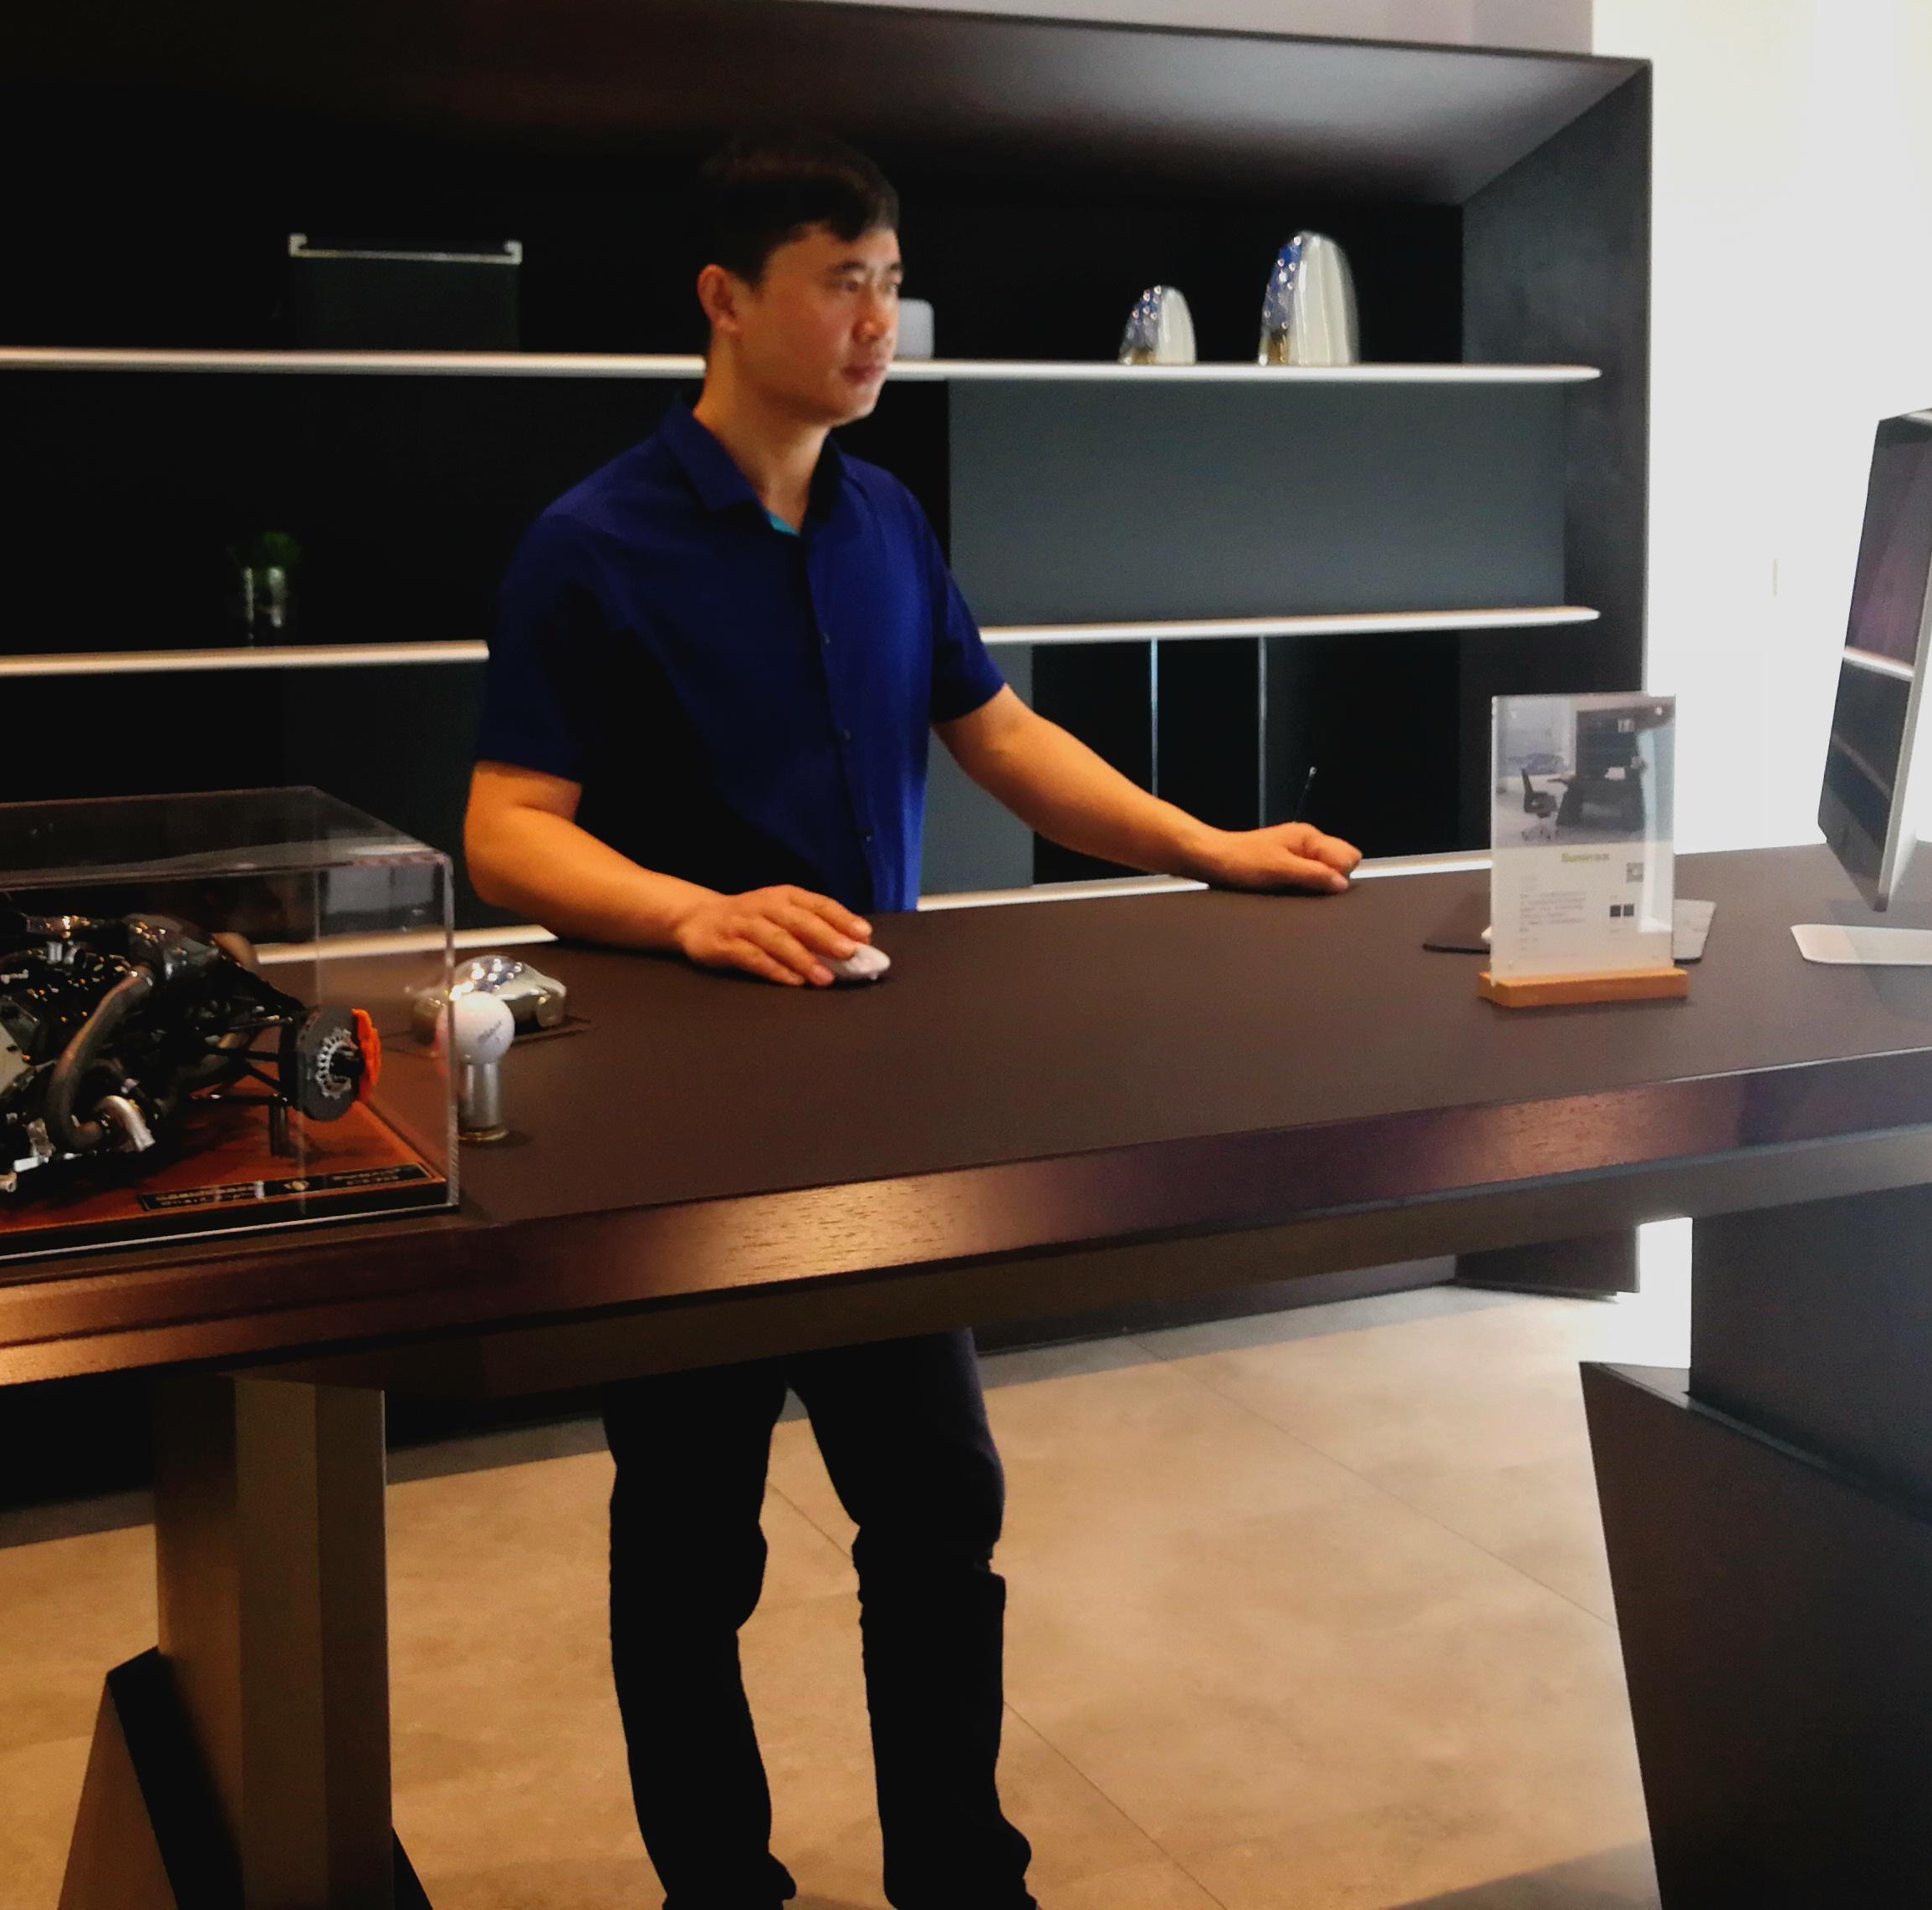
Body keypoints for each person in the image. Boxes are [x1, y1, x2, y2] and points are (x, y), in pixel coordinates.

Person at [463, 133, 1360, 1910]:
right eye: (841, 283)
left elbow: (996, 732)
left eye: (891, 282)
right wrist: (694, 910)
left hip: (881, 1113)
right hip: (686, 1133)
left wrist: (1206, 846)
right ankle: (720, 1887)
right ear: (726, 301)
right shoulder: (590, 543)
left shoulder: (885, 518)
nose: (880, 320)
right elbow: (507, 827)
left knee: (939, 1506)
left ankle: (962, 1877)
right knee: (690, 1545)